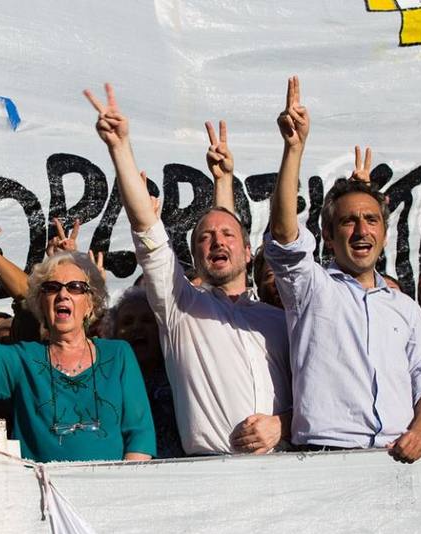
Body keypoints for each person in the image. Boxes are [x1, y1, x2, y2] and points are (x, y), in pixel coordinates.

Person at [84, 84, 291, 456]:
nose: (217, 241)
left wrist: (282, 425)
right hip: (210, 476)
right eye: (204, 238)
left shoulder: (277, 321)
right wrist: (120, 148)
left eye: (228, 236)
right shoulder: (182, 310)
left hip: (288, 470)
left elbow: (318, 397)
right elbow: (147, 230)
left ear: (248, 250)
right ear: (194, 260)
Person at [264, 76, 421, 462]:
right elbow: (284, 239)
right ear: (328, 236)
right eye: (349, 222)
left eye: (371, 220)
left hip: (398, 460)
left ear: (384, 231)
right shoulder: (311, 289)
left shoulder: (405, 308)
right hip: (325, 458)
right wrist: (293, 149)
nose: (362, 230)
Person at [0, 234, 155, 462]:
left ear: (91, 303)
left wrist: (123, 490)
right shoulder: (24, 358)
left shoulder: (118, 354)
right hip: (43, 492)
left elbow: (140, 436)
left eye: (76, 287)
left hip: (113, 490)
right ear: (40, 303)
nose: (63, 294)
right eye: (52, 287)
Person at [107, 286, 184, 458]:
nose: (137, 328)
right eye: (127, 322)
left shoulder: (179, 377)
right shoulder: (108, 382)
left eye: (147, 320)